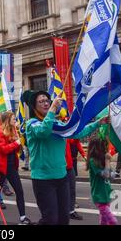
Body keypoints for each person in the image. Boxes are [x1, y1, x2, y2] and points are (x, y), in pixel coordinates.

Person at [23, 90, 108, 225]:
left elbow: (77, 132)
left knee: (64, 219)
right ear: (34, 107)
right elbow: (44, 131)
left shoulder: (58, 125)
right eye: (41, 101)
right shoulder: (32, 124)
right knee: (50, 219)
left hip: (62, 177)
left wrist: (97, 123)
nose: (45, 103)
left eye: (47, 101)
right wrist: (52, 109)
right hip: (43, 180)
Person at [0, 111, 32, 225]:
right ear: (7, 120)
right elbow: (4, 150)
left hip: (11, 168)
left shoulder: (12, 132)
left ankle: (23, 218)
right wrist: (16, 143)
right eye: (13, 119)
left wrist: (17, 140)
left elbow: (15, 150)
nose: (15, 120)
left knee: (19, 191)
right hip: (1, 168)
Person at [87, 132, 118, 225]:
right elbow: (105, 175)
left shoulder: (103, 159)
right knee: (112, 221)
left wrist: (112, 171)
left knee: (103, 220)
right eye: (104, 146)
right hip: (99, 195)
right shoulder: (93, 161)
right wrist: (107, 161)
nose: (106, 149)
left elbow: (111, 176)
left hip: (106, 193)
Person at [66, 139, 83, 220]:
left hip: (69, 166)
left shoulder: (68, 134)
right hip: (59, 167)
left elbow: (75, 140)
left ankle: (71, 211)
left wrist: (84, 155)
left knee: (72, 188)